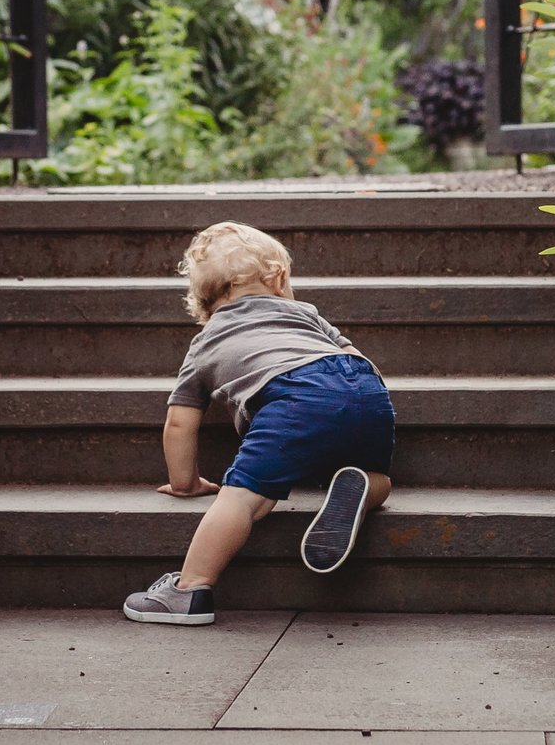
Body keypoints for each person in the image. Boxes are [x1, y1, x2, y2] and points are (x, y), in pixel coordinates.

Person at [122, 221, 395, 625]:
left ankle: (188, 590)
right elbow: (361, 359)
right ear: (280, 278)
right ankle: (360, 486)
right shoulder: (306, 314)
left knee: (242, 498)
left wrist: (186, 483)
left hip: (294, 397)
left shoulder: (206, 342)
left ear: (205, 302)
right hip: (366, 390)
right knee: (379, 474)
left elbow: (180, 422)